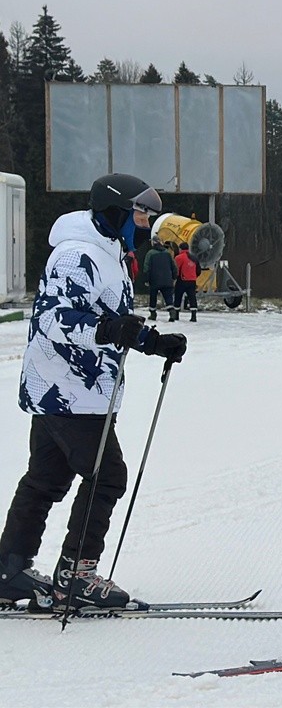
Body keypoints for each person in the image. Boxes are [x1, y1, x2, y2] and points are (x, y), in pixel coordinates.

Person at [0, 173, 188, 611]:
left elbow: (107, 319)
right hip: (68, 390)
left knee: (46, 478)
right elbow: (53, 320)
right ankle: (77, 575)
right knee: (107, 475)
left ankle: (9, 569)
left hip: (72, 388)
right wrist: (110, 329)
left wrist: (151, 341)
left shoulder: (108, 253)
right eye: (141, 213)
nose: (146, 223)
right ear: (116, 211)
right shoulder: (77, 254)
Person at [143, 236, 177, 322]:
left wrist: (146, 279)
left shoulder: (150, 253)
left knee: (153, 297)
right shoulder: (167, 253)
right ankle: (172, 312)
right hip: (167, 279)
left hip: (154, 280)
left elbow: (146, 267)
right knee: (168, 297)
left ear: (153, 243)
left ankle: (153, 314)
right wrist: (174, 277)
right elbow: (173, 266)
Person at [173, 241, 201, 322]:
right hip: (192, 280)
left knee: (178, 297)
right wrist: (194, 276)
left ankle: (176, 315)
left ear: (180, 249)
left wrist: (174, 278)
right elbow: (198, 270)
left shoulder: (179, 258)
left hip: (182, 280)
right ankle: (193, 316)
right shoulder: (194, 258)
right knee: (192, 298)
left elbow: (176, 269)